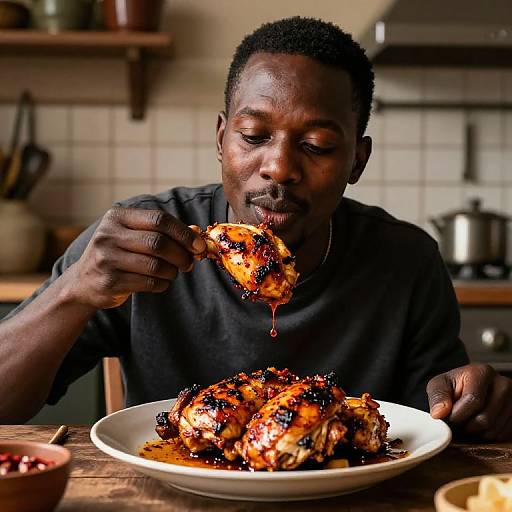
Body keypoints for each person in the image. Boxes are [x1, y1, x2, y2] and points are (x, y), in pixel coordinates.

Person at [0, 17, 510, 440]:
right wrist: (72, 292)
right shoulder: (135, 241)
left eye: (316, 145)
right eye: (253, 135)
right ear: (222, 138)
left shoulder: (407, 260)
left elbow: (443, 413)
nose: (280, 167)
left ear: (357, 159)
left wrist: (476, 403)